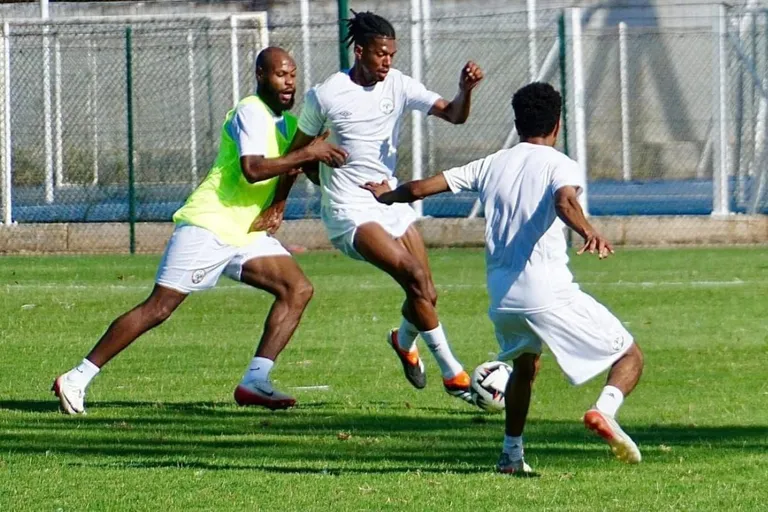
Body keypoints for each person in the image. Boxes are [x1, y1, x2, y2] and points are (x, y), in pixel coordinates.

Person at [361, 82, 644, 473]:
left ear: (516, 122)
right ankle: (604, 411)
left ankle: (511, 456)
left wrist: (386, 196)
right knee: (629, 356)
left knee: (525, 369)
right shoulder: (560, 163)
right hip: (548, 293)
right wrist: (588, 230)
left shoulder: (492, 162)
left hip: (503, 298)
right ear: (558, 124)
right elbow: (565, 200)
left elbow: (423, 188)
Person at [52, 47, 347, 414]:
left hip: (246, 231)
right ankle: (77, 377)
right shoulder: (250, 111)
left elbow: (294, 169)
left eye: (292, 74)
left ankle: (255, 380)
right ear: (260, 76)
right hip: (210, 224)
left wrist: (322, 172)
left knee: (297, 288)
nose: (289, 82)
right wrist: (308, 155)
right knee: (158, 308)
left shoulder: (287, 125)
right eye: (280, 74)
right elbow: (253, 169)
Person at [253, 11, 485, 404]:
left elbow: (454, 115)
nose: (387, 62)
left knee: (426, 293)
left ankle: (402, 339)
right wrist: (278, 205)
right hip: (349, 209)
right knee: (412, 276)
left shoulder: (398, 84)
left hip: (388, 201)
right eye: (380, 54)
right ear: (359, 52)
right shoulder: (326, 94)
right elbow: (297, 153)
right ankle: (454, 374)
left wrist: (465, 91)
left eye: (392, 54)